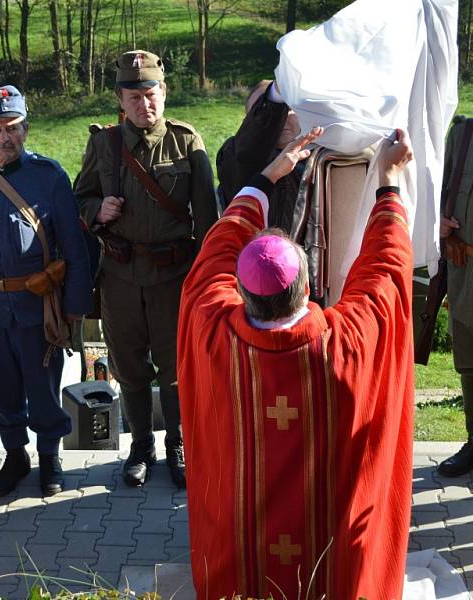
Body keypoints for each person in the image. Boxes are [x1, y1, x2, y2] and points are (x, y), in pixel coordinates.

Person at [177, 127, 414, 599]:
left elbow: (216, 250)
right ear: (307, 288)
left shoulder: (211, 328)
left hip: (240, 554)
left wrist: (268, 176)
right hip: (331, 557)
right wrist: (388, 179)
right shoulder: (348, 344)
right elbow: (386, 271)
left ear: (242, 291)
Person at [74, 50, 218, 488]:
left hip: (173, 278)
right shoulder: (104, 144)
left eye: (150, 94)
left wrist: (206, 281)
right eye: (134, 96)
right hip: (119, 276)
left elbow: (208, 219)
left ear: (164, 93)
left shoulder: (186, 142)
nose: (144, 104)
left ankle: (177, 444)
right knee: (129, 367)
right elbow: (78, 199)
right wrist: (99, 209)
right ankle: (140, 446)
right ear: (121, 98)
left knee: (175, 369)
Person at [0, 85, 92, 497]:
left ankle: (50, 457)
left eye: (13, 127)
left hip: (36, 307)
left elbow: (74, 249)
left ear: (26, 129)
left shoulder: (50, 176)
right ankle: (14, 455)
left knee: (43, 389)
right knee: (1, 389)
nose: (5, 137)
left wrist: (75, 309)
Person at [436, 115, 473, 477]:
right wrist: (440, 222)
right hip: (466, 271)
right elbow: (440, 188)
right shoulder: (462, 134)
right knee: (469, 363)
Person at [216, 79, 301, 228]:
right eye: (264, 112)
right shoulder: (232, 154)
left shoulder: (317, 158)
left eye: (289, 109)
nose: (281, 118)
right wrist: (274, 97)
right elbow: (245, 153)